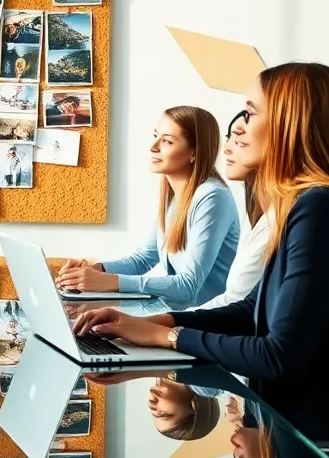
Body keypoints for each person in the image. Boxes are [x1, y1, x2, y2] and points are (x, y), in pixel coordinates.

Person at [71, 63, 329, 458]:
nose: (239, 127)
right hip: (299, 430)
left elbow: (278, 356)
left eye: (250, 113)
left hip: (324, 455)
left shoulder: (321, 210)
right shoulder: (309, 206)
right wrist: (163, 323)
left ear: (292, 124)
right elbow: (252, 309)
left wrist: (168, 340)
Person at [56, 106, 239, 308]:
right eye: (155, 136)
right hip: (174, 313)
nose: (153, 146)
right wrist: (96, 269)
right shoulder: (174, 196)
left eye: (167, 141)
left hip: (205, 324)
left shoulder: (212, 197)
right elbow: (144, 259)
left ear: (194, 153)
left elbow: (188, 286)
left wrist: (112, 282)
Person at [190, 110, 272, 311]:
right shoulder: (254, 214)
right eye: (229, 138)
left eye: (239, 140)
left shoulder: (214, 195)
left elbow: (237, 302)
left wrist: (164, 325)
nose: (226, 149)